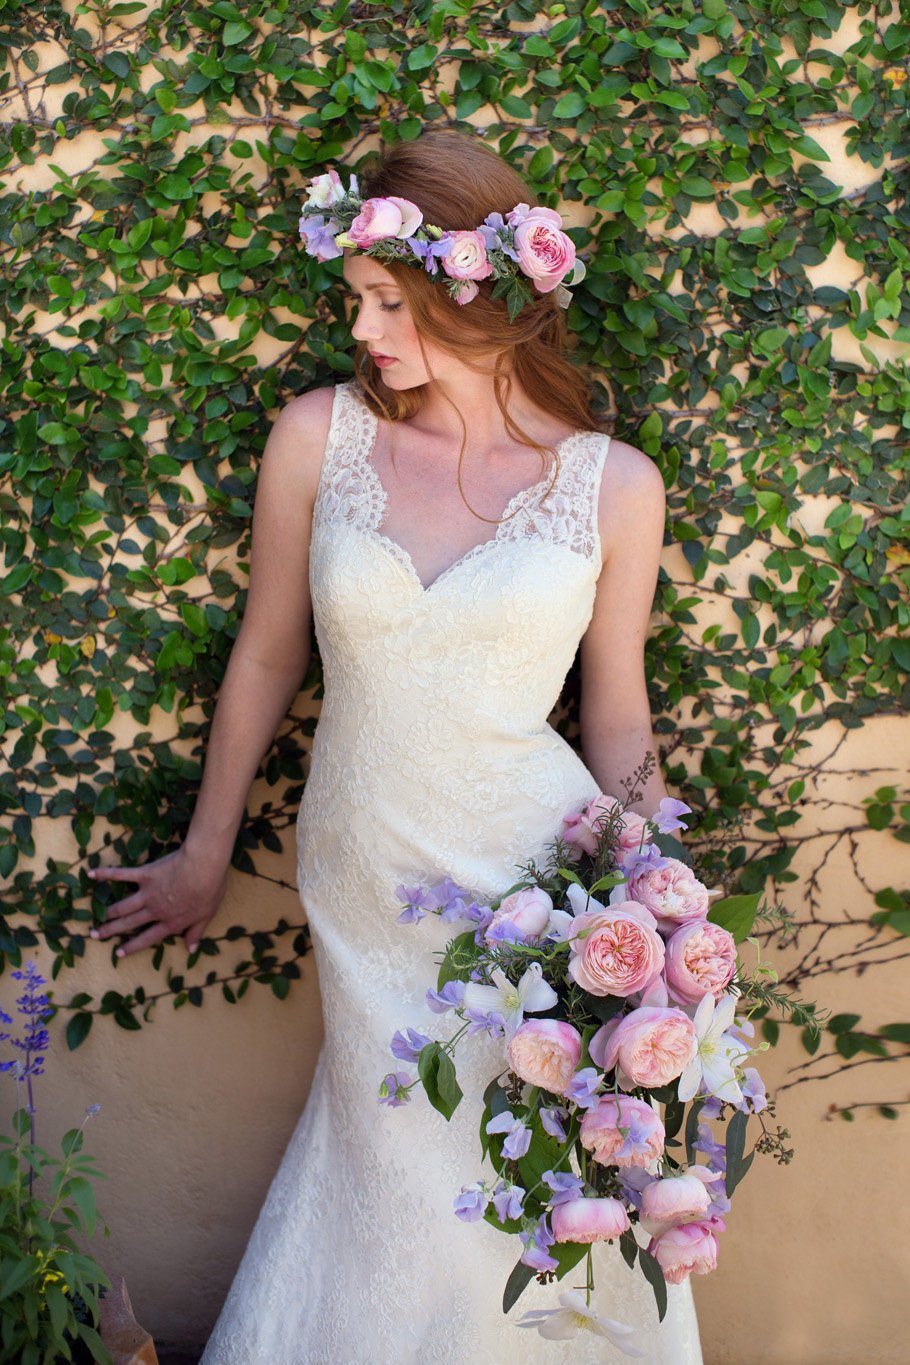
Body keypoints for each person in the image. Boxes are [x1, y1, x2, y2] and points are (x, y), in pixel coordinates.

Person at [87, 129, 703, 1362]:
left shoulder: (613, 485)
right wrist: (207, 850)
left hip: (535, 886)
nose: (363, 331)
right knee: (393, 1159)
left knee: (527, 1162)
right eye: (358, 300)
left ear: (468, 293)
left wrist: (669, 899)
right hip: (367, 877)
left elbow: (615, 715)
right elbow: (267, 655)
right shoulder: (321, 438)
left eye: (386, 302)